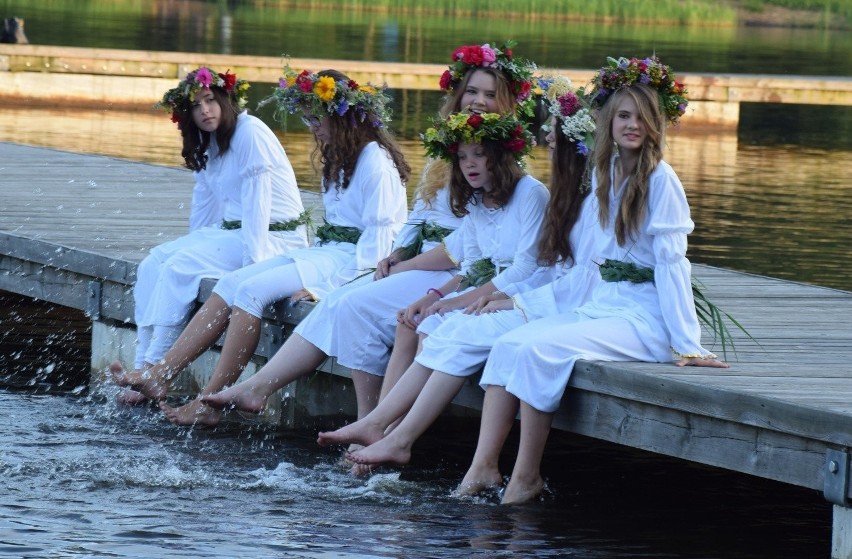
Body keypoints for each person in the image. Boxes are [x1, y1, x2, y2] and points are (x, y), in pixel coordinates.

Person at [172, 42, 536, 430]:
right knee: (344, 303)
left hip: (455, 269)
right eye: (472, 92)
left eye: (488, 94)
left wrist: (404, 266)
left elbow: (474, 246)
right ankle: (317, 407)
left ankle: (363, 420)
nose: (477, 101)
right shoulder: (450, 145)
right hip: (425, 260)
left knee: (350, 304)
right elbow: (418, 213)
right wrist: (397, 253)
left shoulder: (498, 159)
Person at [463, 57, 730, 505]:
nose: (632, 125)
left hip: (644, 317)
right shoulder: (604, 176)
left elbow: (671, 265)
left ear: (655, 125)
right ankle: (484, 467)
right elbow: (589, 269)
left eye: (642, 117)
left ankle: (526, 475)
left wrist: (687, 343)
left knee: (538, 348)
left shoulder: (661, 181)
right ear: (608, 122)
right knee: (511, 343)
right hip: (605, 303)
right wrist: (521, 304)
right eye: (624, 115)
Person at [315, 77, 599, 468]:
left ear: (498, 157)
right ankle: (381, 428)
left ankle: (391, 432)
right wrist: (434, 297)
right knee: (413, 321)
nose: (468, 165)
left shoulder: (530, 193)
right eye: (462, 157)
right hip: (490, 290)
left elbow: (525, 268)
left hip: (523, 293)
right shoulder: (480, 200)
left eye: (478, 155)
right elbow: (470, 262)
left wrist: (457, 302)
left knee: (441, 327)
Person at [111, 68, 410, 421]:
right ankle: (161, 372)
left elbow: (380, 240)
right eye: (309, 119)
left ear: (341, 118)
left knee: (251, 292)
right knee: (231, 283)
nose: (312, 127)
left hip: (348, 262)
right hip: (328, 251)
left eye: (317, 120)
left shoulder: (374, 159)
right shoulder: (340, 155)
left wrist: (320, 288)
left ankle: (209, 403)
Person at [115, 66, 309, 404]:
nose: (205, 110)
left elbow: (258, 207)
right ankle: (142, 367)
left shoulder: (250, 133)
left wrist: (253, 267)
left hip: (273, 238)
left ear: (225, 100)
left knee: (180, 266)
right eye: (196, 105)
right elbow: (204, 209)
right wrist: (194, 244)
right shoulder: (209, 143)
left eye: (210, 100)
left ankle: (158, 370)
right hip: (231, 233)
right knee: (154, 262)